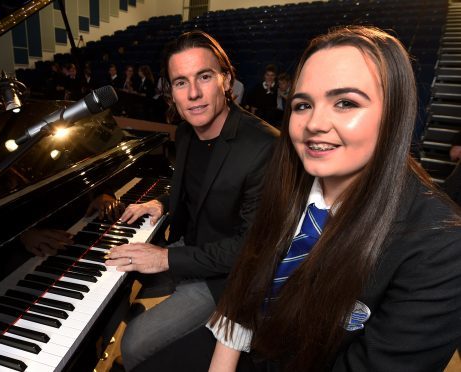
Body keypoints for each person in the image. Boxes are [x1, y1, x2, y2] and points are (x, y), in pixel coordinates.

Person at [132, 25, 461, 372]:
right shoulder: (292, 176)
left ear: (394, 112)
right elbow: (251, 275)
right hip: (245, 335)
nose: (315, 123)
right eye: (303, 104)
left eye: (346, 103)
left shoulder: (441, 247)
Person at [105, 30, 278, 370]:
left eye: (204, 77)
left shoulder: (264, 147)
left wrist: (165, 260)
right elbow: (193, 190)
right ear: (170, 91)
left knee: (134, 344)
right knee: (108, 275)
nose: (194, 94)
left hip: (226, 277)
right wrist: (162, 204)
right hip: (187, 247)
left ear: (226, 80)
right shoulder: (186, 130)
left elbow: (250, 249)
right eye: (180, 82)